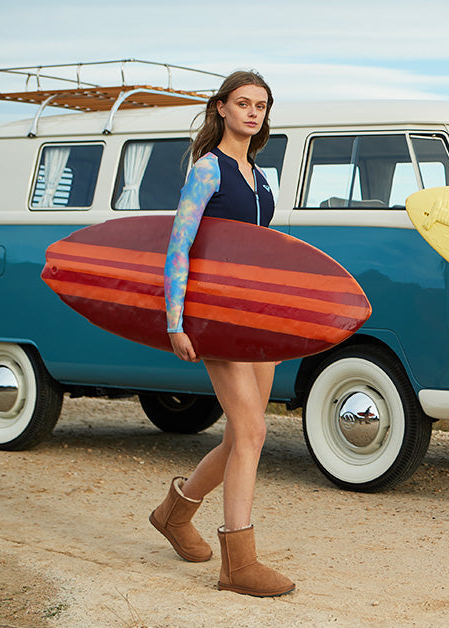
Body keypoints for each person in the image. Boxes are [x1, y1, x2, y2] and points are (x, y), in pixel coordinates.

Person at [147, 70, 294, 597]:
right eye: (243, 103)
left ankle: (174, 512)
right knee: (253, 431)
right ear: (221, 110)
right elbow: (178, 245)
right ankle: (238, 559)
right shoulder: (207, 170)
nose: (253, 113)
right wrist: (175, 319)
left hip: (257, 319)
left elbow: (262, 251)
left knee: (240, 434)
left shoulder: (262, 175)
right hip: (216, 318)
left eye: (261, 105)